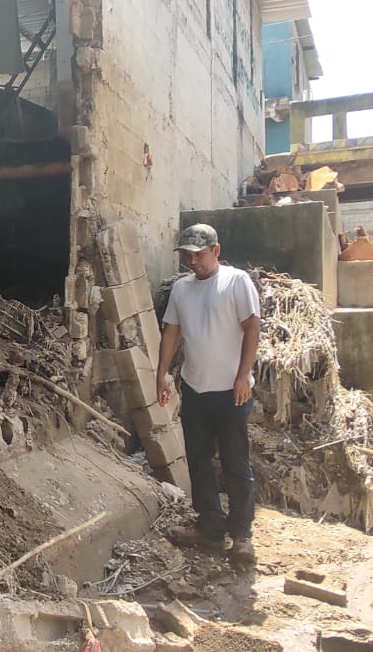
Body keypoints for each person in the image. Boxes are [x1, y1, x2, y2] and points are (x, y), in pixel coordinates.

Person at [156, 223, 261, 568]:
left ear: (216, 250)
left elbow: (251, 327)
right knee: (199, 460)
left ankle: (242, 535)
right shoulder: (182, 290)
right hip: (195, 388)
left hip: (233, 391)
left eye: (199, 255)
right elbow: (171, 332)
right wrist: (162, 374)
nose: (192, 261)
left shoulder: (236, 282)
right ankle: (210, 526)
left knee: (235, 461)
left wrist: (243, 374)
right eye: (187, 255)